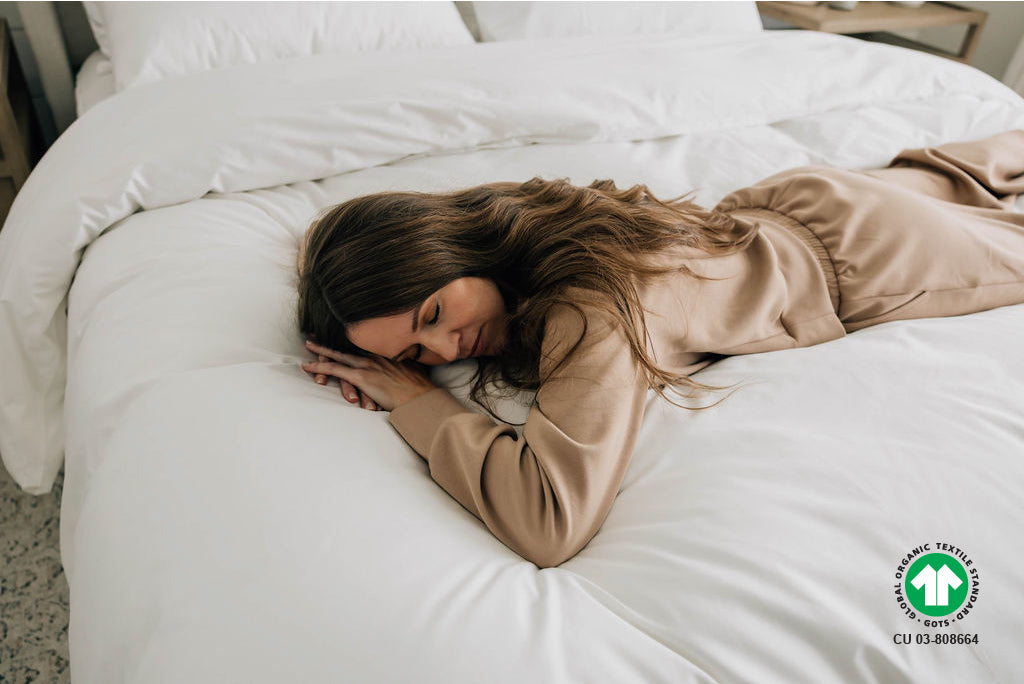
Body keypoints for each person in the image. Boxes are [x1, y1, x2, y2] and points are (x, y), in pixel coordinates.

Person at [297, 130, 1024, 567]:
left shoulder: (592, 312)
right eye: (416, 356)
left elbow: (549, 522)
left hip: (876, 259)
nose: (446, 346)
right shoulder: (522, 224)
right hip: (789, 202)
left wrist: (420, 404)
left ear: (452, 248)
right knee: (981, 165)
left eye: (432, 311)